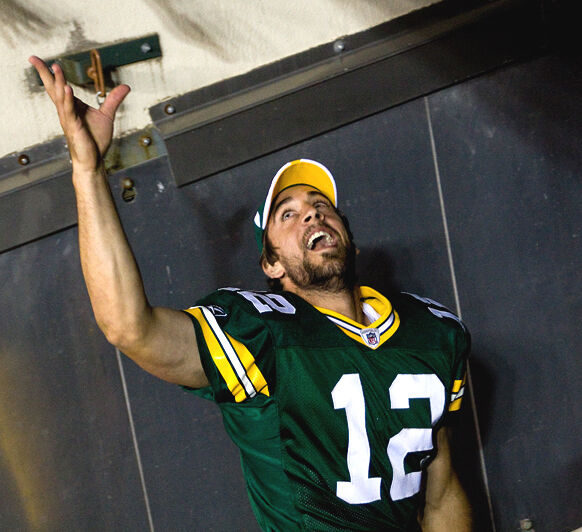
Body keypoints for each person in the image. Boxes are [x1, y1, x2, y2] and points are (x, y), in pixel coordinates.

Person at [29, 55, 473, 531]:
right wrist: (88, 171)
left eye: (322, 206)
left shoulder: (433, 333)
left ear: (350, 236)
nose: (312, 214)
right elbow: (127, 327)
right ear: (271, 264)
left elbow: (441, 494)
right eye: (289, 214)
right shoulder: (258, 334)